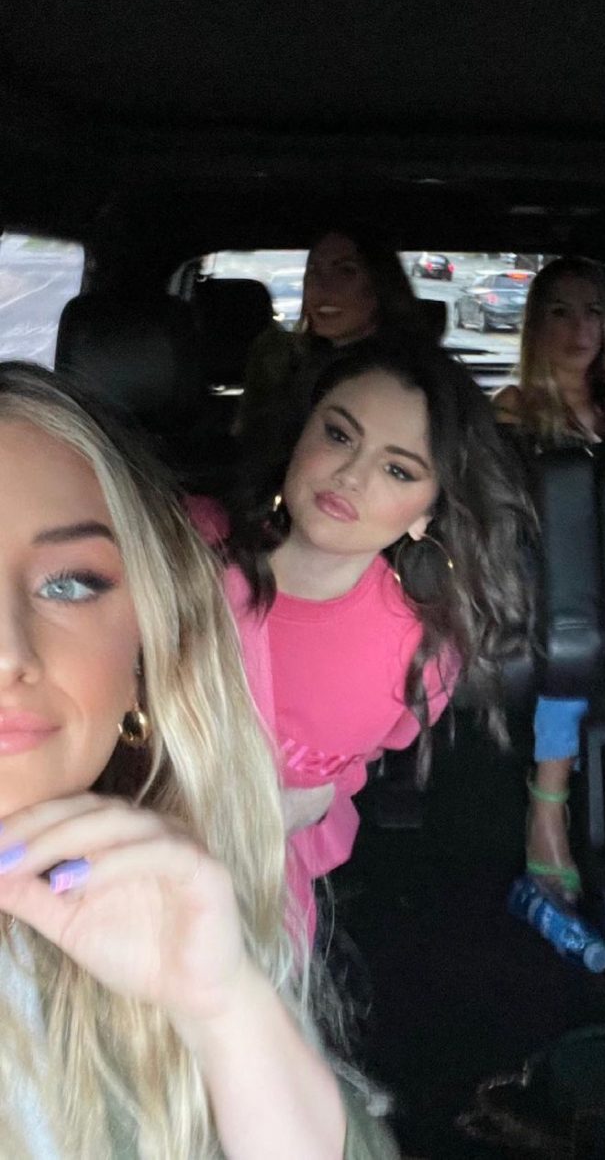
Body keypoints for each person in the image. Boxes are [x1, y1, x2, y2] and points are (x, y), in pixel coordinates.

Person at [0, 362, 397, 1159]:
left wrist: (226, 1013)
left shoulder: (168, 926)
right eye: (339, 436)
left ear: (146, 656)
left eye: (70, 585)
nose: (7, 652)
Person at [193, 336, 534, 940]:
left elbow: (365, 756)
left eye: (398, 470)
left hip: (258, 899)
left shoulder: (422, 649)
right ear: (301, 433)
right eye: (339, 435)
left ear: (427, 512)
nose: (351, 476)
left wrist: (307, 799)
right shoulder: (182, 548)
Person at [492, 255, 605, 900]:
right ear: (537, 326)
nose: (579, 329)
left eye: (594, 313)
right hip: (550, 590)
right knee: (572, 641)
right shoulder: (514, 409)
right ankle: (547, 809)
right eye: (560, 312)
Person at [238, 224, 425, 442]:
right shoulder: (295, 363)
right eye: (313, 271)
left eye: (345, 271)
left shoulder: (402, 379)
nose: (322, 287)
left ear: (380, 285)